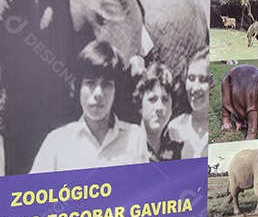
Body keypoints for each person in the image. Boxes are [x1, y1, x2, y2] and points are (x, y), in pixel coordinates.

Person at [30, 42, 148, 173]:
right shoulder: (57, 142)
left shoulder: (133, 138)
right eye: (90, 83)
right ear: (78, 88)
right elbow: (34, 192)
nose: (98, 93)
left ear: (116, 90)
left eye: (106, 84)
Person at [130, 57, 182, 162]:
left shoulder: (177, 149)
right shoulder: (128, 146)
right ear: (140, 104)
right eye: (152, 99)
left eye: (165, 100)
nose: (159, 108)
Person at [165, 69, 210, 159]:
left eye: (203, 80)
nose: (195, 87)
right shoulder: (175, 128)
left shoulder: (224, 125)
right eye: (191, 78)